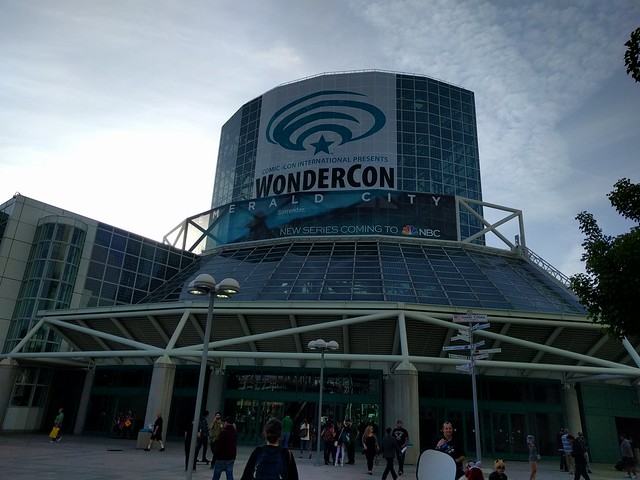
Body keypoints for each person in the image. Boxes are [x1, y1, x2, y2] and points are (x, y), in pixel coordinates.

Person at [212, 416, 238, 480]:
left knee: (216, 474)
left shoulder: (224, 432)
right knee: (229, 474)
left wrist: (215, 454)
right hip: (231, 456)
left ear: (226, 423)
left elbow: (218, 445)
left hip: (221, 457)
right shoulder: (234, 433)